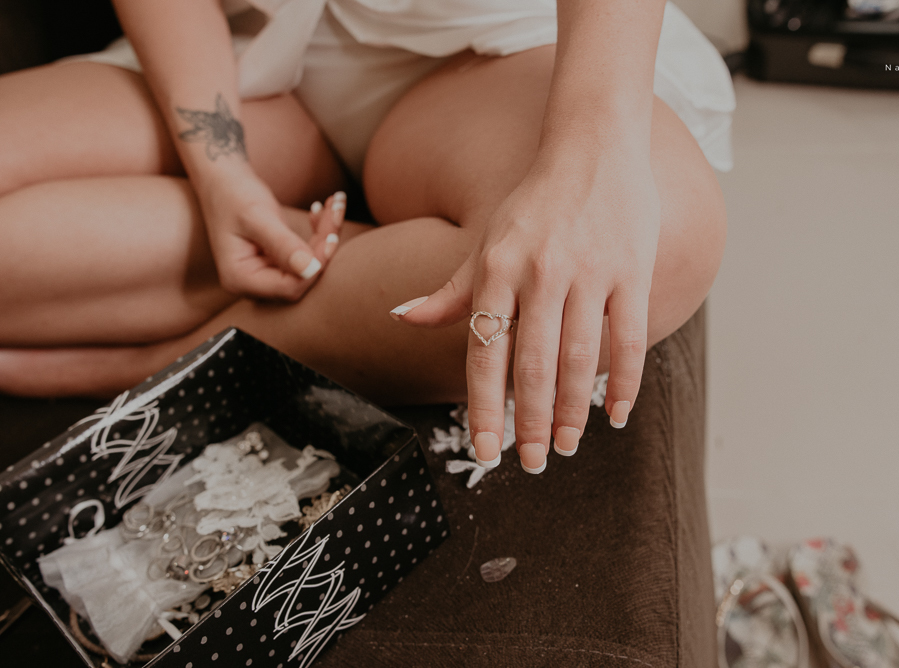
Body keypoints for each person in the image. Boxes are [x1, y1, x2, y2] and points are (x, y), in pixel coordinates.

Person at [0, 0, 731, 475]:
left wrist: (587, 152)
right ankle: (373, 260)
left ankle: (198, 353)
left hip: (504, 47)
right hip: (256, 44)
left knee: (659, 241)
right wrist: (220, 171)